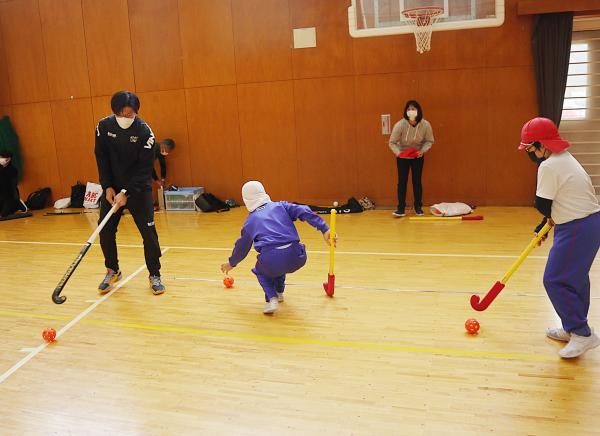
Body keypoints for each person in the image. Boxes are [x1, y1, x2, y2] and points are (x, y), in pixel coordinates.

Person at [519, 117, 600, 358]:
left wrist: (547, 218)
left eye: (530, 148)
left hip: (577, 226)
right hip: (586, 223)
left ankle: (582, 333)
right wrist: (547, 222)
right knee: (575, 278)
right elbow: (558, 203)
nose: (529, 154)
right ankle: (572, 326)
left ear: (541, 145)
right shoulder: (564, 158)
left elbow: (543, 204)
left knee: (554, 279)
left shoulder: (548, 166)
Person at [221, 181, 335, 314]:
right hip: (297, 256)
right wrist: (324, 228)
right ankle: (280, 292)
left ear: (246, 200)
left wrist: (231, 263)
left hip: (272, 259)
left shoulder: (249, 222)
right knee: (279, 267)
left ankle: (272, 299)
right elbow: (304, 210)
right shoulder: (281, 206)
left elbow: (242, 247)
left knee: (262, 272)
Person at [94, 91, 165, 295]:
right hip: (112, 189)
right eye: (123, 114)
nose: (126, 118)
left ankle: (154, 274)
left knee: (148, 234)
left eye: (131, 115)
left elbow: (144, 170)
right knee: (105, 231)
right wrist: (107, 186)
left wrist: (126, 192)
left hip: (138, 190)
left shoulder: (145, 133)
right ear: (115, 112)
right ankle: (112, 270)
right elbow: (101, 157)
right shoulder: (103, 127)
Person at [388, 100, 434, 217]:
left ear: (418, 111)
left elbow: (429, 141)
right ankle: (401, 208)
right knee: (402, 182)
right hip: (403, 156)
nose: (411, 111)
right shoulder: (399, 125)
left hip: (417, 156)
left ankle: (418, 207)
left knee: (417, 182)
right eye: (409, 109)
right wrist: (399, 153)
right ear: (406, 111)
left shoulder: (425, 125)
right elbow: (392, 142)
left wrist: (422, 151)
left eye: (413, 109)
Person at [0, 150, 26, 217]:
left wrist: (15, 197)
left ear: (9, 159)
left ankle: (19, 204)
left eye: (3, 157)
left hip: (9, 195)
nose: (1, 159)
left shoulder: (13, 170)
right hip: (1, 195)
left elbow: (13, 185)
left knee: (4, 214)